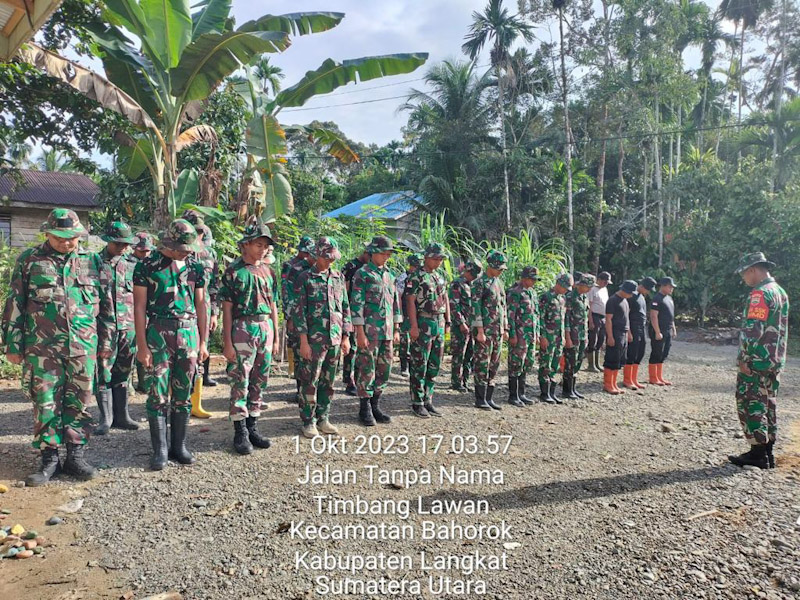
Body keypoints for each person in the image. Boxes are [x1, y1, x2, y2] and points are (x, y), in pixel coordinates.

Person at [2, 209, 114, 486]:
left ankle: (76, 456)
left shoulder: (93, 261)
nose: (67, 242)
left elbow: (106, 306)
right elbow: (15, 302)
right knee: (45, 403)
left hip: (83, 346)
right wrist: (12, 344)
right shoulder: (30, 260)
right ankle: (49, 459)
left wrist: (106, 342)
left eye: (72, 237)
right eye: (60, 237)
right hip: (42, 349)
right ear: (48, 234)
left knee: (80, 402)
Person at [133, 219, 209, 471]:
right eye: (182, 249)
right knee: (157, 392)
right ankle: (160, 449)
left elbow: (201, 305)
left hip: (188, 333)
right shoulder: (147, 266)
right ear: (170, 244)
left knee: (184, 391)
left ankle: (179, 446)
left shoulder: (196, 267)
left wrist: (203, 341)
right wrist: (142, 346)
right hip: (158, 333)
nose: (186, 253)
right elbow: (139, 307)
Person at [219, 219, 279, 455]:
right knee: (240, 379)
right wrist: (227, 342)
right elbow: (226, 309)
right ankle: (240, 430)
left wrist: (275, 337)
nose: (263, 250)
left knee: (260, 378)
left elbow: (273, 305)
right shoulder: (234, 272)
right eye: (258, 244)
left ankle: (253, 425)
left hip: (265, 327)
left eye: (266, 246)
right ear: (245, 244)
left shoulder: (268, 271)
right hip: (243, 328)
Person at [729, 252, 789, 470]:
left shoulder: (760, 294)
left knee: (750, 401)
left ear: (753, 270)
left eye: (744, 273)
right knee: (768, 403)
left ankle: (758, 454)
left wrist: (744, 358)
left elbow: (753, 330)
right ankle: (768, 452)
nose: (743, 278)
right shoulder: (779, 291)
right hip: (774, 360)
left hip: (757, 360)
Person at [292, 237, 352, 438]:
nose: (330, 261)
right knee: (309, 381)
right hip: (313, 341)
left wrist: (345, 336)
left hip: (334, 339)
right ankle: (308, 421)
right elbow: (299, 312)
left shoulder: (338, 277)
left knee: (329, 382)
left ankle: (323, 418)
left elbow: (345, 308)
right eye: (327, 257)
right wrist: (303, 341)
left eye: (332, 257)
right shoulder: (305, 278)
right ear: (317, 255)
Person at [95, 221, 140, 436]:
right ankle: (106, 418)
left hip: (127, 327)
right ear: (108, 241)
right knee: (103, 372)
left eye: (126, 244)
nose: (123, 247)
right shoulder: (93, 263)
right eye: (118, 243)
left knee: (124, 371)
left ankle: (122, 416)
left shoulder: (133, 265)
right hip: (103, 328)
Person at [351, 236, 402, 426]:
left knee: (384, 368)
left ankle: (375, 405)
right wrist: (359, 332)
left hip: (387, 331)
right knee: (367, 369)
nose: (387, 257)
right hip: (369, 332)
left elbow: (395, 303)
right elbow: (356, 304)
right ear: (373, 253)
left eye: (389, 254)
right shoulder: (362, 274)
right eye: (383, 253)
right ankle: (364, 408)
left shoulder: (390, 275)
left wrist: (396, 329)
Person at [405, 243, 450, 418]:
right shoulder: (416, 276)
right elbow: (410, 301)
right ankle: (417, 402)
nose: (439, 261)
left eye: (441, 259)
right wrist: (413, 326)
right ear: (426, 257)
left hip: (438, 322)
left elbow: (445, 298)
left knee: (434, 364)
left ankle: (428, 400)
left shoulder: (439, 277)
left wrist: (447, 321)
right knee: (419, 364)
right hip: (423, 321)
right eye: (436, 258)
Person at [181, 212, 218, 419]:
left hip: (203, 309)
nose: (198, 235)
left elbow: (215, 285)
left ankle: (196, 403)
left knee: (202, 354)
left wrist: (214, 313)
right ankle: (180, 401)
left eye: (200, 232)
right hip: (181, 311)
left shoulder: (209, 254)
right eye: (194, 231)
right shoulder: (175, 253)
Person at [471, 250, 509, 411]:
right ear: (491, 266)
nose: (501, 271)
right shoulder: (479, 283)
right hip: (485, 330)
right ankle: (480, 399)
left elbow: (503, 306)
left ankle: (489, 397)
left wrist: (505, 328)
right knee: (482, 363)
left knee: (494, 363)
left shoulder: (498, 283)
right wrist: (479, 330)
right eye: (498, 268)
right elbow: (476, 307)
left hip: (497, 330)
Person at [281, 235, 315, 403]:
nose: (306, 255)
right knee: (297, 351)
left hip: (311, 317)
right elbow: (286, 292)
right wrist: (289, 316)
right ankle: (299, 388)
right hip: (295, 315)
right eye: (304, 252)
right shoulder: (291, 267)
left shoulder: (314, 266)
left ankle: (309, 388)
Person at [506, 266, 539, 407]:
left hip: (530, 334)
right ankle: (513, 396)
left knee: (527, 362)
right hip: (519, 335)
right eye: (532, 279)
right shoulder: (515, 292)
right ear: (525, 278)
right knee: (516, 363)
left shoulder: (532, 292)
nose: (534, 282)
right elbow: (510, 315)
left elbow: (536, 314)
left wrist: (537, 333)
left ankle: (522, 394)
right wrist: (512, 334)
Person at [537, 274, 572, 404]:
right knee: (545, 363)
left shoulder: (562, 299)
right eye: (564, 287)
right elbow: (540, 318)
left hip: (558, 337)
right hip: (548, 336)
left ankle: (551, 392)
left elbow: (563, 319)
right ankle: (544, 393)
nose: (565, 290)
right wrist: (542, 336)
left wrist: (564, 337)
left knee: (555, 364)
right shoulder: (546, 297)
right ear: (558, 283)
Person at [449, 258, 481, 392]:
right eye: (472, 274)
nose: (473, 277)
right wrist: (461, 323)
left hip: (472, 324)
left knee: (469, 354)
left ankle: (465, 381)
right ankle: (456, 382)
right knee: (459, 354)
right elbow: (454, 305)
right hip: (460, 326)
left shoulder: (472, 285)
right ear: (467, 271)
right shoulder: (457, 284)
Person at [341, 247, 370, 396]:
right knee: (351, 348)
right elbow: (344, 290)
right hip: (352, 311)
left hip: (367, 314)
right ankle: (349, 380)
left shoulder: (369, 268)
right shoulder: (351, 267)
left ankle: (359, 379)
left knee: (362, 348)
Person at [563, 273, 596, 399]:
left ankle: (573, 388)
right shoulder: (570, 297)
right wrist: (567, 337)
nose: (590, 289)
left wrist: (586, 336)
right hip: (573, 335)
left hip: (582, 335)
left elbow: (584, 318)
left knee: (578, 361)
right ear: (581, 285)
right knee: (570, 362)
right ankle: (566, 390)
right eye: (588, 286)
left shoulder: (584, 297)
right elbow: (566, 318)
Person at [131, 232, 155, 393]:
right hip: (130, 312)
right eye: (141, 251)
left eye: (147, 251)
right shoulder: (128, 263)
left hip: (149, 313)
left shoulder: (153, 265)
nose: (145, 254)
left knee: (147, 348)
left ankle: (145, 384)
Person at [623, 277, 657, 390]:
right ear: (642, 286)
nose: (648, 292)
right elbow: (626, 315)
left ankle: (633, 378)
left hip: (641, 327)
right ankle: (627, 379)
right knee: (632, 352)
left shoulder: (641, 296)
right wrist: (628, 332)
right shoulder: (631, 296)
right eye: (648, 289)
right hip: (633, 327)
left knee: (640, 352)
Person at [603, 280, 635, 394]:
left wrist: (629, 332)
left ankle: (614, 383)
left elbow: (627, 318)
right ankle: (607, 384)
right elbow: (608, 319)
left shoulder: (625, 300)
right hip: (615, 332)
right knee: (612, 358)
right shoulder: (612, 300)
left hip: (624, 333)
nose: (631, 295)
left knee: (619, 359)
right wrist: (610, 336)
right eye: (630, 293)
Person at [648, 276, 677, 386]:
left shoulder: (669, 298)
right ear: (663, 286)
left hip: (667, 329)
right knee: (656, 352)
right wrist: (657, 331)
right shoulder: (657, 299)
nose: (671, 289)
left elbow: (671, 315)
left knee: (664, 353)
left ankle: (659, 376)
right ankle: (653, 377)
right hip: (659, 329)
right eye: (670, 287)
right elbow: (653, 316)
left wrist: (673, 328)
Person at [397, 253, 422, 378]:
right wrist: (399, 314)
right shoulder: (403, 278)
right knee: (404, 341)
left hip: (418, 314)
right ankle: (404, 366)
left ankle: (414, 365)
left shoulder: (421, 277)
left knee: (416, 341)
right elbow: (398, 297)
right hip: (405, 313)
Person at [585, 271, 611, 372]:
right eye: (604, 282)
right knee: (593, 339)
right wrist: (590, 320)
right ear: (599, 280)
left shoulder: (604, 290)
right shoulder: (592, 289)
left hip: (602, 317)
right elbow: (589, 306)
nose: (605, 284)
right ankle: (591, 364)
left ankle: (597, 363)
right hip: (594, 316)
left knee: (600, 339)